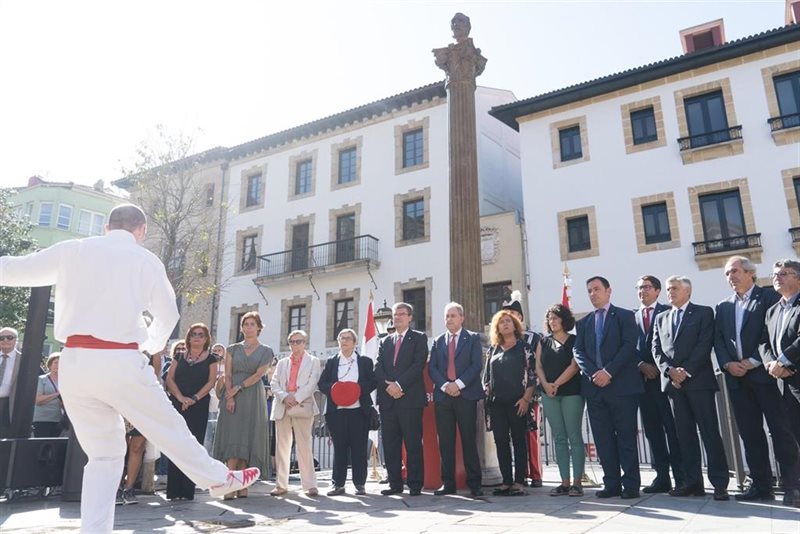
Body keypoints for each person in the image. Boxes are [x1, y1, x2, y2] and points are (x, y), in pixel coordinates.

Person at [0, 204, 259, 533]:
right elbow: (167, 315)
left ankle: (95, 529)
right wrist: (151, 346)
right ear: (141, 231)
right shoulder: (145, 260)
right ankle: (218, 478)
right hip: (120, 357)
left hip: (75, 362)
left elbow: (15, 269)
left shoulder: (73, 250)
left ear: (107, 226)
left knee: (104, 456)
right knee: (167, 425)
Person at [715, 256, 799, 504]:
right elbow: (719, 339)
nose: (731, 276)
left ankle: (791, 484)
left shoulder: (769, 297)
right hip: (737, 380)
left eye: (735, 271)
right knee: (750, 434)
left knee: (781, 432)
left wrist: (753, 361)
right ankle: (761, 485)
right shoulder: (723, 306)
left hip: (768, 377)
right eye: (727, 273)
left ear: (750, 273)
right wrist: (728, 364)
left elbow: (769, 336)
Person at [652, 276, 729, 501]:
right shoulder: (661, 317)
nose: (670, 293)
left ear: (688, 290)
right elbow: (656, 349)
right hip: (674, 386)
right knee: (684, 436)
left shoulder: (704, 313)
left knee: (709, 432)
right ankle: (692, 482)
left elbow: (705, 344)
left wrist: (684, 371)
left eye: (674, 288)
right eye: (668, 289)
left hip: (698, 383)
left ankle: (720, 483)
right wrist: (669, 371)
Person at [573, 276, 642, 499]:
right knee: (603, 439)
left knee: (626, 438)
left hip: (621, 387)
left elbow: (629, 346)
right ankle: (611, 483)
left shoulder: (624, 316)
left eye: (597, 289)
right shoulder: (583, 323)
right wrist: (594, 373)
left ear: (608, 291)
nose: (593, 294)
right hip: (595, 389)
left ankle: (630, 484)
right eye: (589, 290)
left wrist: (608, 371)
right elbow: (578, 352)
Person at [213, 311, 273, 499]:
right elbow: (228, 374)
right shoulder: (232, 349)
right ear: (241, 327)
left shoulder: (266, 351)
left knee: (247, 437)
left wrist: (239, 388)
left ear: (259, 327)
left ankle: (243, 484)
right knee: (232, 436)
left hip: (252, 395)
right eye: (245, 324)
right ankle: (229, 482)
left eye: (252, 324)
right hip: (232, 394)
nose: (248, 327)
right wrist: (230, 396)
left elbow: (258, 375)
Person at [428, 302, 483, 497]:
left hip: (465, 395)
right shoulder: (438, 341)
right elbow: (432, 368)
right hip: (443, 397)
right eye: (446, 316)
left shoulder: (473, 339)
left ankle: (474, 483)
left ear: (462, 318)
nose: (449, 319)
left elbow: (476, 366)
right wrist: (445, 386)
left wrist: (458, 384)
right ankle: (448, 483)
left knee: (469, 440)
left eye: (452, 315)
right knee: (446, 442)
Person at [633, 275, 683, 493]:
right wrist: (641, 364)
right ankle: (661, 476)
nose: (642, 291)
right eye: (639, 288)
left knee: (673, 429)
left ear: (657, 290)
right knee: (652, 431)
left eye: (646, 287)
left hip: (665, 381)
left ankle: (681, 476)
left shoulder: (667, 311)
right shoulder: (631, 317)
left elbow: (671, 344)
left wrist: (660, 367)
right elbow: (627, 347)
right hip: (643, 382)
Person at [374, 302, 428, 497]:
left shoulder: (419, 338)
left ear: (410, 317)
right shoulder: (385, 341)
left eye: (401, 314)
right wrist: (389, 386)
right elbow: (378, 367)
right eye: (395, 315)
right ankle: (395, 483)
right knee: (390, 444)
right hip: (388, 401)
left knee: (413, 443)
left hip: (410, 399)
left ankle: (415, 484)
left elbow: (418, 365)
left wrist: (399, 385)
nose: (397, 317)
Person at [318, 328, 377, 496]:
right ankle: (338, 484)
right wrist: (337, 389)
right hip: (337, 412)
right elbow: (322, 384)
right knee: (340, 448)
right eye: (341, 338)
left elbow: (373, 382)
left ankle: (360, 484)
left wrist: (356, 389)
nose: (344, 341)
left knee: (359, 448)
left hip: (359, 411)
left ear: (354, 342)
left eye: (348, 338)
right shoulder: (331, 362)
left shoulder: (365, 362)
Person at [760, 259, 800, 508]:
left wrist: (784, 361)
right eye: (775, 274)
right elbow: (763, 341)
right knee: (788, 437)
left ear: (797, 277)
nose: (777, 277)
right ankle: (793, 487)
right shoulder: (773, 310)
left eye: (783, 274)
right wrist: (770, 364)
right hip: (780, 384)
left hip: (795, 376)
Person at [165, 323, 218, 500]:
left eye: (201, 334)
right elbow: (169, 379)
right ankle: (173, 490)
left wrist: (194, 398)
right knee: (176, 445)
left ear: (206, 338)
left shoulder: (211, 359)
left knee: (193, 446)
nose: (197, 337)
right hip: (177, 404)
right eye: (194, 334)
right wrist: (181, 398)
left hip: (199, 405)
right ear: (188, 337)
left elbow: (211, 382)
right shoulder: (179, 357)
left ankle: (187, 490)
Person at [483, 309, 534, 496]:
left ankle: (519, 481)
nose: (505, 324)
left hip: (518, 402)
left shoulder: (524, 348)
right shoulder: (493, 350)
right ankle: (506, 481)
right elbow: (486, 377)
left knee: (519, 441)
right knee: (501, 441)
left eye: (508, 321)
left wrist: (526, 399)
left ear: (515, 325)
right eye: (501, 322)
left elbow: (532, 376)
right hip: (497, 404)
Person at [535, 304, 584, 497]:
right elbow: (538, 366)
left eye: (556, 318)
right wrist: (546, 385)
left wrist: (556, 384)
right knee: (559, 438)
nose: (552, 321)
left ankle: (577, 483)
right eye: (549, 318)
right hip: (549, 395)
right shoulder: (543, 341)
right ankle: (564, 482)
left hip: (571, 392)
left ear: (564, 319)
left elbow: (575, 366)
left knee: (574, 436)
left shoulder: (574, 340)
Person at [270, 329, 321, 497]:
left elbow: (312, 383)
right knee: (281, 447)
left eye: (298, 341)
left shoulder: (313, 361)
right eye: (292, 342)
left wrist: (296, 398)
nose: (295, 345)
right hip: (283, 406)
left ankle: (309, 485)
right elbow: (274, 383)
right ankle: (281, 485)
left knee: (304, 446)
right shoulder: (282, 362)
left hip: (302, 406)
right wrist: (285, 397)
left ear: (304, 343)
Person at [501, 293, 543, 488]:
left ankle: (535, 473)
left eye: (513, 314)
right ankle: (521, 473)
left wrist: (530, 393)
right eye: (506, 314)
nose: (509, 318)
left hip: (529, 394)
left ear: (520, 317)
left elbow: (536, 366)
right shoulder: (500, 340)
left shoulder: (532, 337)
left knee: (530, 434)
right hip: (507, 396)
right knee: (512, 438)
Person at [117, 351, 162, 506]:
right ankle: (116, 486)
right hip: (120, 399)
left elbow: (155, 376)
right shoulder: (121, 345)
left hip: (142, 403)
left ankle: (129, 488)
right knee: (118, 446)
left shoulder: (152, 351)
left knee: (137, 447)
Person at [33, 352, 64, 437]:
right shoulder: (42, 379)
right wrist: (57, 394)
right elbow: (38, 400)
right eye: (55, 363)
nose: (58, 365)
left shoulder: (64, 382)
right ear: (50, 365)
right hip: (42, 420)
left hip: (58, 420)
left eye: (60, 363)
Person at [204, 343, 226, 453]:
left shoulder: (227, 366)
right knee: (208, 435)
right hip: (209, 404)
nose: (217, 352)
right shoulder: (208, 365)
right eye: (215, 350)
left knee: (218, 434)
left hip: (221, 402)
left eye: (219, 350)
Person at [0, 327, 21, 438]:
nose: (5, 340)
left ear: (16, 340)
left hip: (9, 404)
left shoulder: (22, 359)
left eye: (9, 337)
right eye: (2, 338)